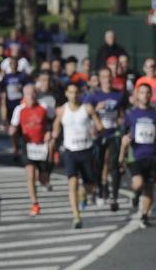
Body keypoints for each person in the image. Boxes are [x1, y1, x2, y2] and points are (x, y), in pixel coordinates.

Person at [51, 81, 105, 229]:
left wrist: (96, 130)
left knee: (90, 187)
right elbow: (56, 125)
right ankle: (76, 217)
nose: (74, 95)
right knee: (72, 182)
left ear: (80, 94)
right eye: (71, 92)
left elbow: (99, 126)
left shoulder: (87, 108)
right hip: (70, 151)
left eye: (76, 92)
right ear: (66, 94)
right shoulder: (62, 110)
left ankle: (83, 193)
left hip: (86, 150)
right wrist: (54, 135)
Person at [120, 83, 156, 228]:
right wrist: (122, 154)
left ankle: (144, 215)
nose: (144, 95)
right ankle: (136, 193)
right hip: (135, 155)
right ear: (137, 95)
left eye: (147, 92)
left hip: (152, 155)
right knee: (139, 183)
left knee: (149, 188)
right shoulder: (131, 114)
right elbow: (123, 135)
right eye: (142, 92)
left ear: (151, 95)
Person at [85, 67, 128, 212]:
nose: (107, 80)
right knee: (98, 164)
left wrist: (122, 121)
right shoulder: (93, 96)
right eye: (104, 77)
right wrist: (97, 109)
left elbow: (123, 113)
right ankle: (100, 189)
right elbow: (85, 113)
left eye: (109, 76)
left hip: (113, 134)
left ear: (112, 78)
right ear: (99, 79)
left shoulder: (119, 95)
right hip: (98, 135)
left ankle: (114, 196)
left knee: (114, 165)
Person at [10, 83, 54, 215]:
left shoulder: (44, 106)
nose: (32, 96)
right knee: (30, 174)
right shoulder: (19, 109)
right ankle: (35, 204)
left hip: (42, 145)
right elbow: (13, 127)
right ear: (24, 96)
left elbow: (53, 120)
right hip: (27, 145)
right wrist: (14, 143)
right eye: (28, 94)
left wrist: (49, 132)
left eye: (34, 93)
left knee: (43, 177)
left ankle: (44, 179)